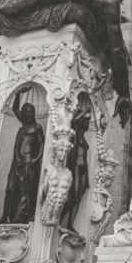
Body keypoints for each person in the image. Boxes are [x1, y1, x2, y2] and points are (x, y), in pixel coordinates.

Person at [0, 0, 132, 126]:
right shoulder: (110, 1)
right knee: (36, 6)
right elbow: (117, 51)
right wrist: (124, 94)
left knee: (24, 3)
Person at [0, 85, 44, 223]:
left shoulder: (37, 127)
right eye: (26, 112)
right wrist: (18, 93)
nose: (28, 114)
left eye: (30, 112)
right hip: (16, 162)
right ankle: (4, 215)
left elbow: (42, 144)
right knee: (10, 188)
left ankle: (20, 216)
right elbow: (14, 108)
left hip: (28, 162)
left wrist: (36, 159)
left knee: (25, 191)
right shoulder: (24, 123)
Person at [59, 92, 91, 230]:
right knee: (73, 197)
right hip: (76, 168)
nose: (88, 124)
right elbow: (73, 121)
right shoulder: (76, 134)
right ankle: (59, 220)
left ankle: (70, 224)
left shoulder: (83, 138)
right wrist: (83, 111)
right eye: (86, 121)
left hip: (84, 169)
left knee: (78, 197)